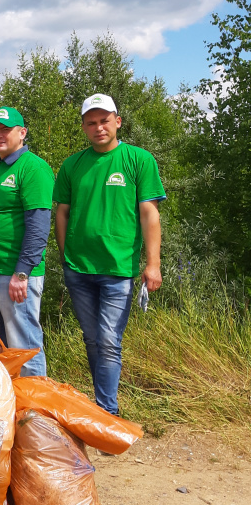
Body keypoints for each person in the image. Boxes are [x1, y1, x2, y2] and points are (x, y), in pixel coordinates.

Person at [54, 94, 165, 415]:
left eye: (104, 120)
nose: (98, 127)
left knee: (107, 341)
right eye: (91, 122)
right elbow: (62, 213)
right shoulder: (72, 165)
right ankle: (103, 405)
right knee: (93, 340)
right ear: (84, 127)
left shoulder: (139, 160)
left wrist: (153, 264)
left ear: (117, 122)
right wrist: (66, 257)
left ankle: (107, 412)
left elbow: (149, 214)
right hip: (79, 269)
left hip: (118, 269)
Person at [0, 107, 55, 377]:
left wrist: (22, 272)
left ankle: (35, 411)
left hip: (15, 275)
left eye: (5, 130)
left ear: (22, 133)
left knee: (25, 346)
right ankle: (9, 405)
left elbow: (38, 225)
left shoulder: (33, 167)